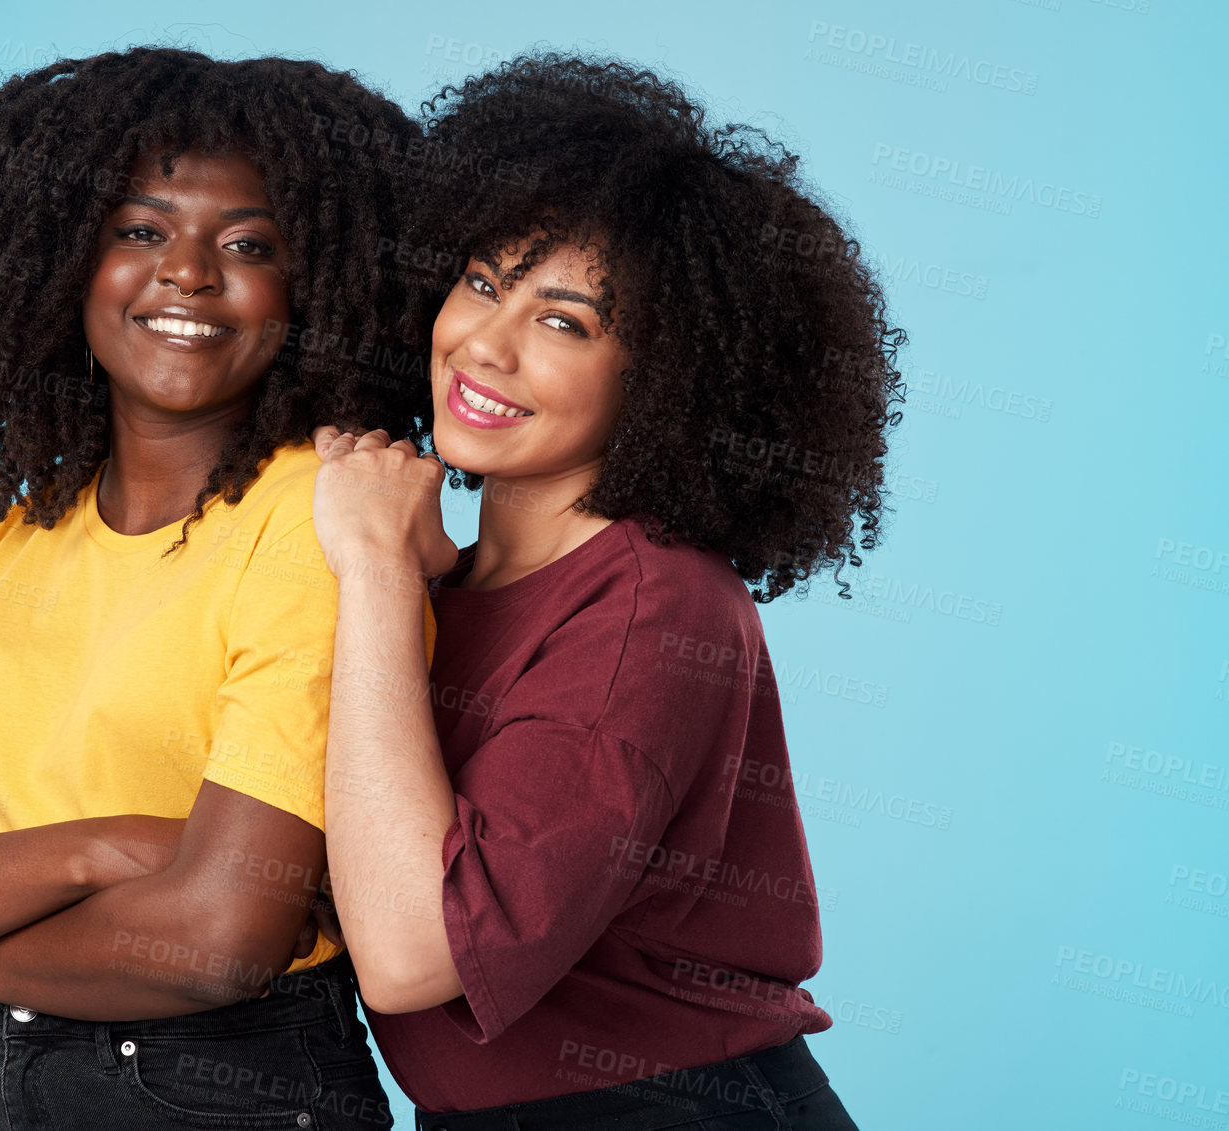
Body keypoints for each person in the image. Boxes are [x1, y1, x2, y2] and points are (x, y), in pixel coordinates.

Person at [0, 47, 432, 1130]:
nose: (188, 273)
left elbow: (215, 943)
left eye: (248, 245)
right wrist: (108, 847)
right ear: (62, 257)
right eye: (140, 231)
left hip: (224, 1087)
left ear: (309, 289)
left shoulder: (317, 526)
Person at [309, 53, 904, 1129]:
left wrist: (378, 571)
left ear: (665, 378)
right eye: (482, 282)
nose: (483, 344)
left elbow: (411, 956)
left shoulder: (649, 607)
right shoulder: (453, 583)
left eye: (563, 322)